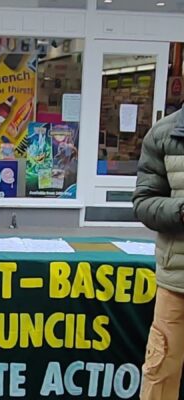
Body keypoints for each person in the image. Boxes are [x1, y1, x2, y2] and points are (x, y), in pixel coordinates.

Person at [132, 106, 184, 399]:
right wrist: (180, 211)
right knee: (160, 373)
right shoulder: (164, 133)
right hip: (177, 282)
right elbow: (144, 201)